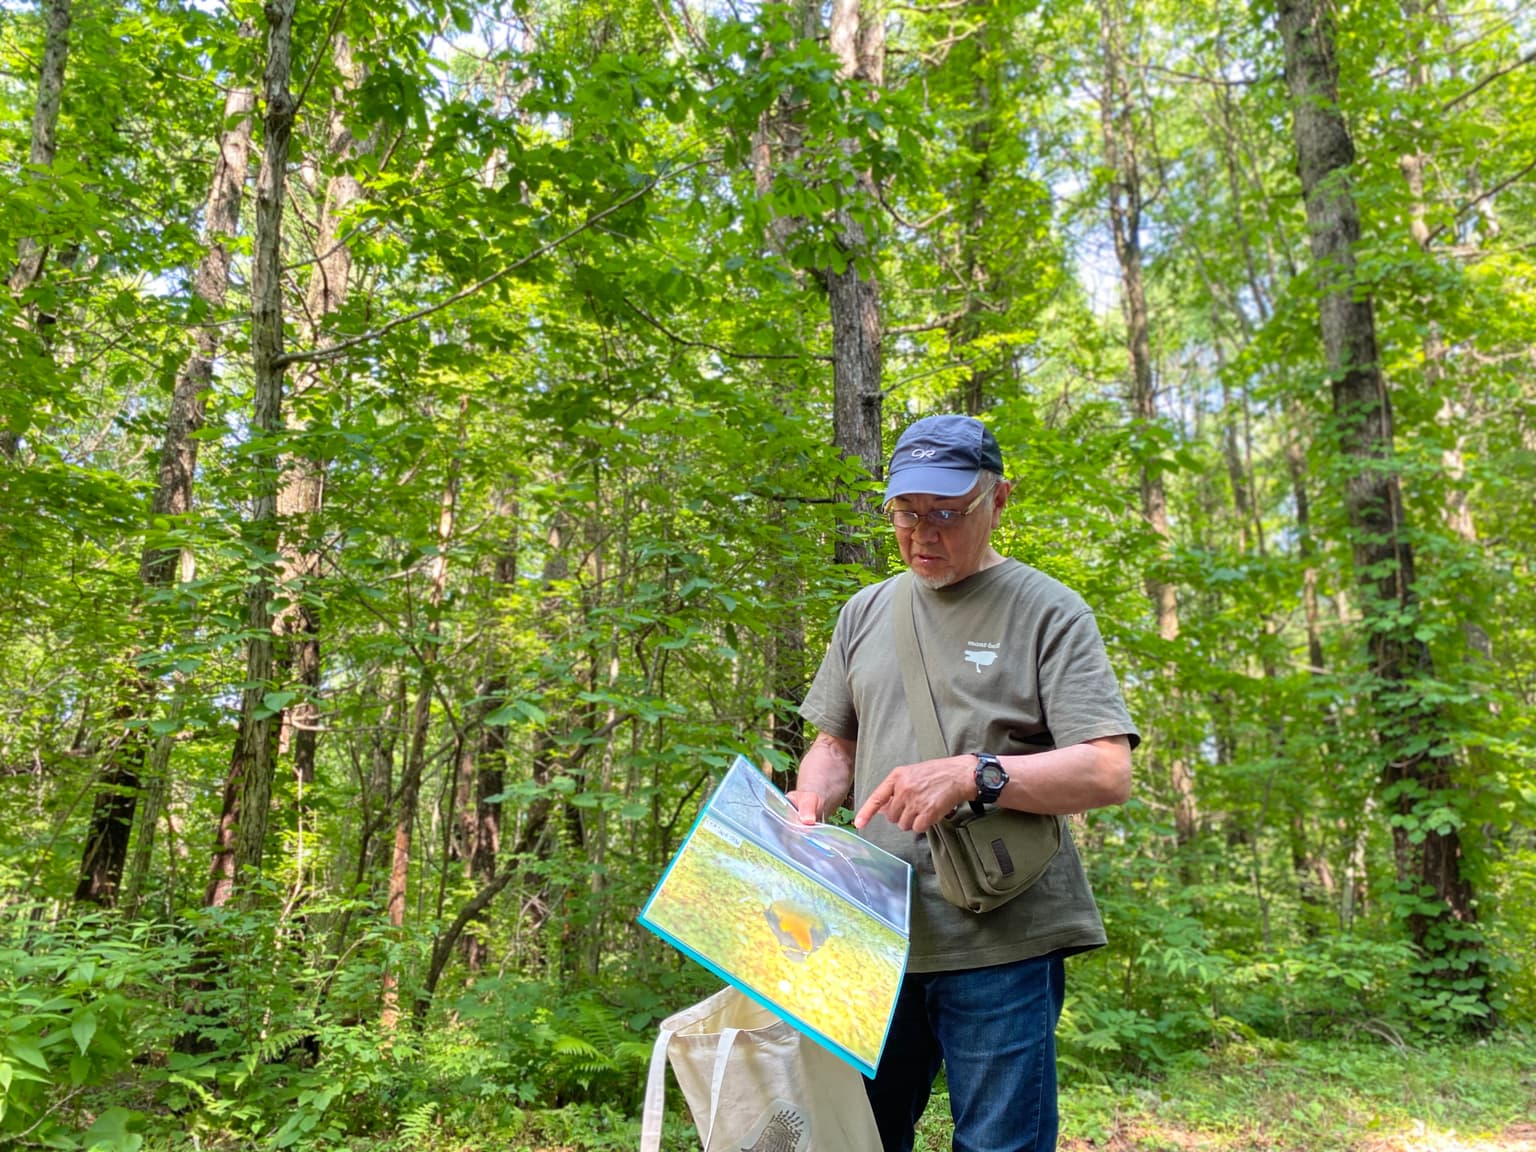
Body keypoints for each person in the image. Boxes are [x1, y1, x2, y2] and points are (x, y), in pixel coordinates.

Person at [787, 414, 1138, 1152]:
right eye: (906, 514)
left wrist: (976, 775)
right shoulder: (865, 611)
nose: (923, 534)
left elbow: (1109, 768)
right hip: (872, 933)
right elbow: (833, 744)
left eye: (946, 513)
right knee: (859, 1140)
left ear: (999, 500)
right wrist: (811, 798)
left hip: (1001, 939)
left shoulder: (1048, 610)